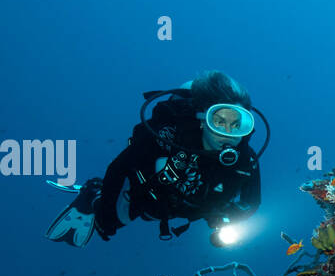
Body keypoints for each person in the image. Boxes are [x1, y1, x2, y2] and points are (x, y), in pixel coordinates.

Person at [46, 71, 269, 247]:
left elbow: (252, 202)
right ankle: (93, 193)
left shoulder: (245, 160)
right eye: (218, 121)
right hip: (152, 201)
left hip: (198, 208)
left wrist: (226, 222)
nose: (227, 132)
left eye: (237, 124)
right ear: (202, 119)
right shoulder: (169, 139)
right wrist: (106, 205)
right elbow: (119, 167)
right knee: (110, 222)